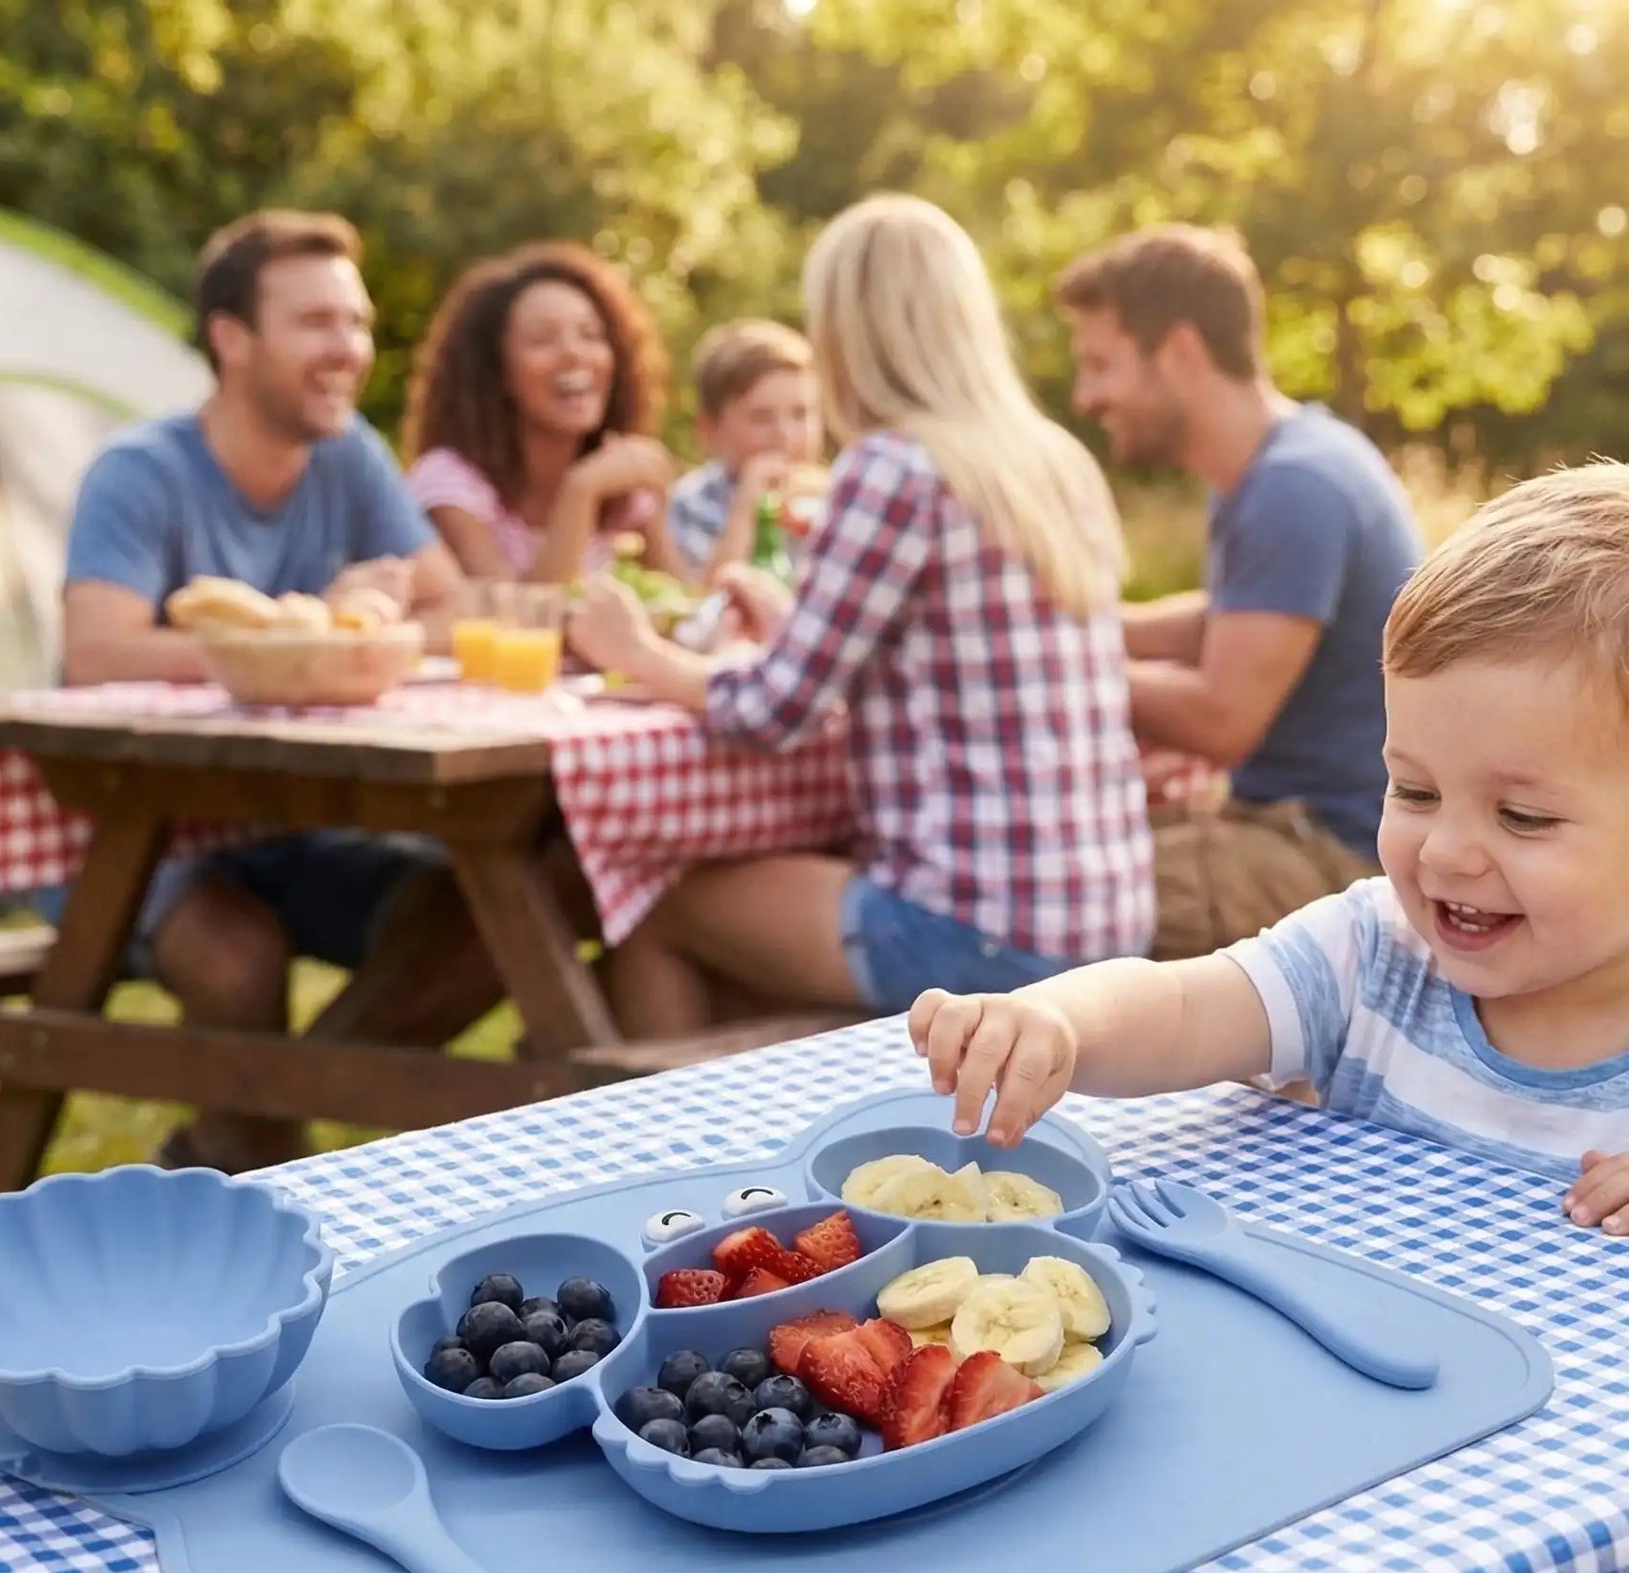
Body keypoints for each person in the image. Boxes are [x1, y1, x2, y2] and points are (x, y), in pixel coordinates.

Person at [910, 463, 1629, 1234]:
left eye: (1521, 816)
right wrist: (1057, 1021)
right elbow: (1185, 1006)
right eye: (1414, 792)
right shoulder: (1372, 953)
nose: (1445, 853)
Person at [564, 194, 1153, 1038]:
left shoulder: (895, 467)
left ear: (847, 332)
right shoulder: (1051, 460)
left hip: (975, 932)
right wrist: (789, 623)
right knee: (739, 946)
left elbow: (775, 711)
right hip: (1104, 919)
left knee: (650, 904)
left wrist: (639, 654)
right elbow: (931, 659)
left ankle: (682, 1161)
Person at [54, 207, 464, 1175]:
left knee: (474, 913)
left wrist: (353, 630)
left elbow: (448, 608)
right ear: (229, 338)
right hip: (149, 834)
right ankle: (278, 1180)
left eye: (355, 323)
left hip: (307, 825)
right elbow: (96, 651)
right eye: (317, 323)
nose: (349, 350)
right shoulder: (140, 472)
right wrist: (305, 622)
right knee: (235, 961)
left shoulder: (348, 453)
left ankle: (243, 1145)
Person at [1056, 224, 1426, 958]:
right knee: (1050, 840)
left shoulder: (1295, 487)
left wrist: (1062, 661)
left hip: (1332, 854)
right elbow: (1231, 618)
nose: (1085, 396)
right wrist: (1083, 622)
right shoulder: (1274, 466)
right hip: (1283, 824)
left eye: (1101, 365)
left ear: (1182, 353)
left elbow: (1223, 718)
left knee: (1037, 892)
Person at [403, 243, 681, 582]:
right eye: (542, 340)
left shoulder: (621, 486)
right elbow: (521, 624)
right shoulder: (450, 484)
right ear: (496, 370)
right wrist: (580, 492)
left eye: (590, 335)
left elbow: (688, 613)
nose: (574, 353)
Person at [666, 318, 824, 587]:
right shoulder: (690, 504)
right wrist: (747, 510)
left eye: (800, 414)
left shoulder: (830, 499)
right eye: (761, 418)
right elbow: (704, 604)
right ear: (710, 432)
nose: (785, 435)